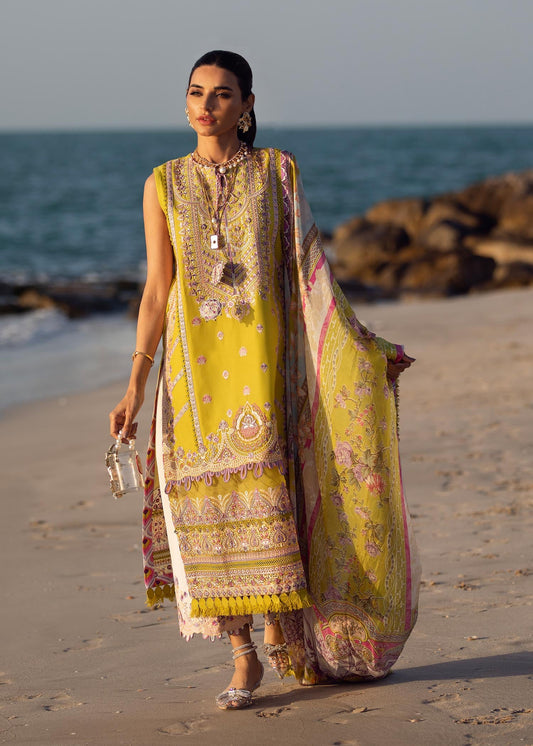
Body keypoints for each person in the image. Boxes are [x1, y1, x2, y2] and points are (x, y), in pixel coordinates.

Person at [109, 50, 419, 711]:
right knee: (208, 514)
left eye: (222, 94)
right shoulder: (162, 183)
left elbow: (310, 271)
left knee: (271, 500)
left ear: (247, 105)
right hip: (191, 380)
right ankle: (242, 655)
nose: (206, 105)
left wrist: (359, 347)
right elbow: (158, 291)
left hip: (263, 370)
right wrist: (135, 382)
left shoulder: (277, 172)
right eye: (196, 92)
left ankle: (282, 632)